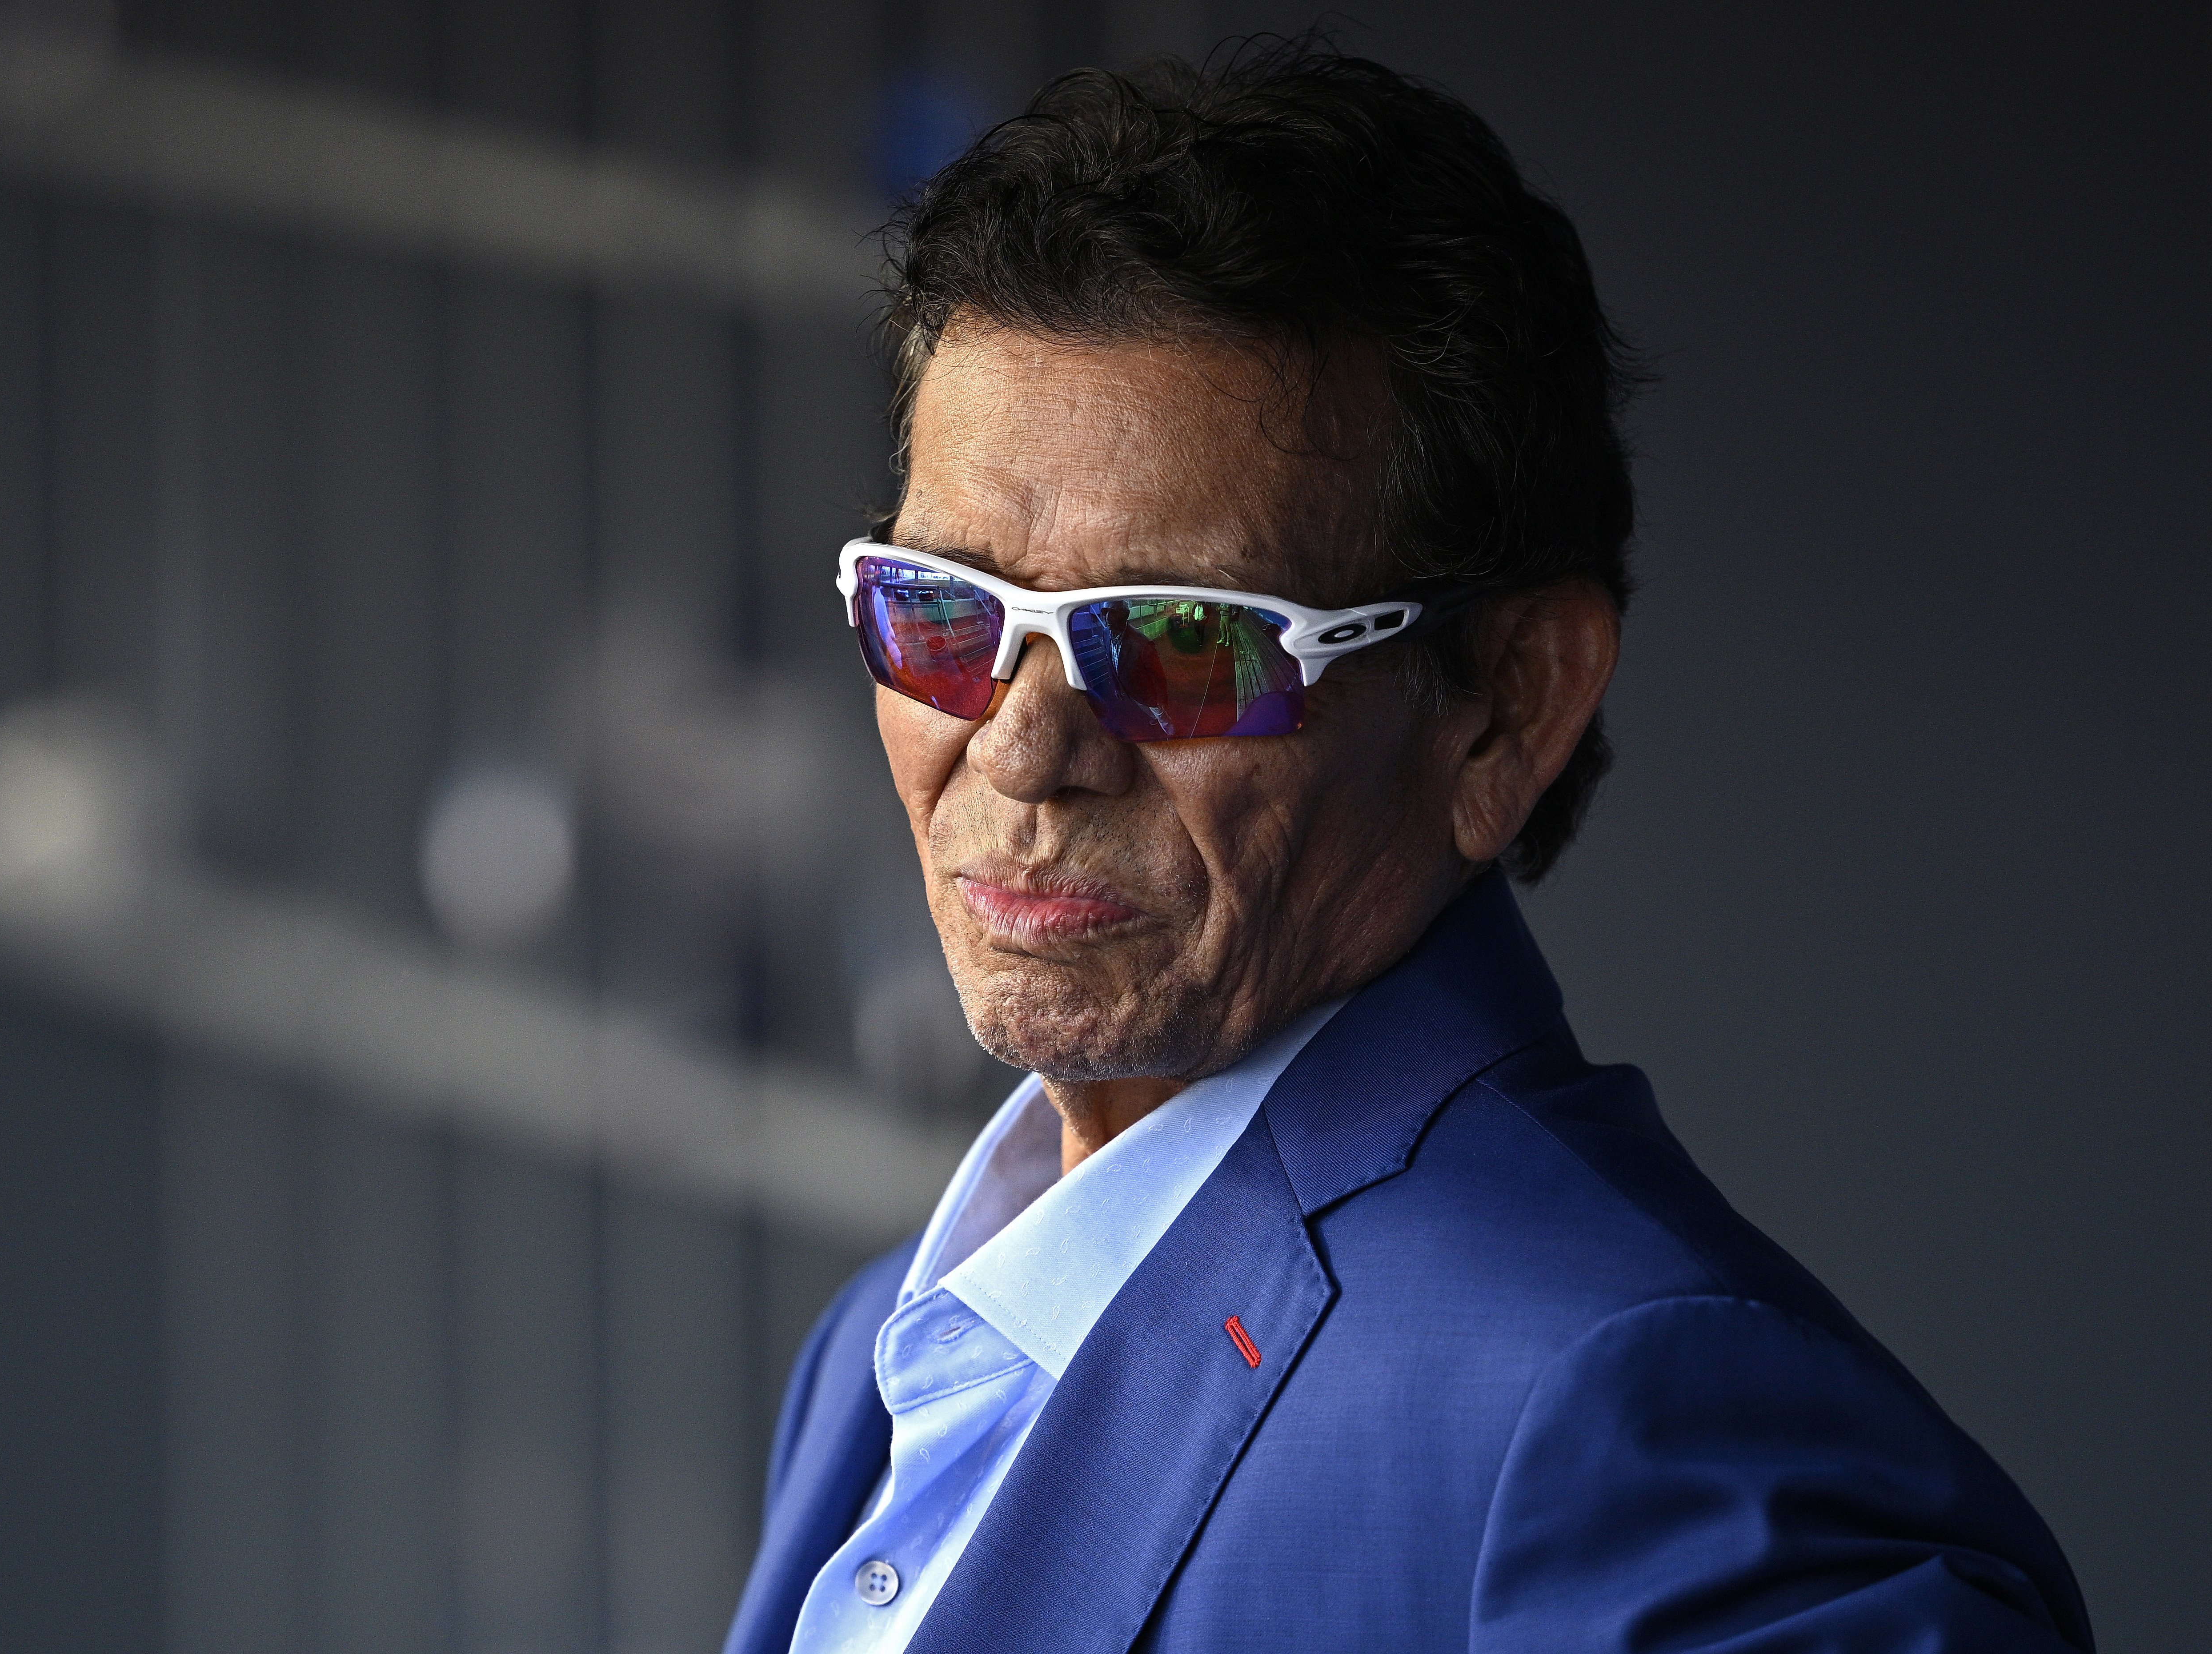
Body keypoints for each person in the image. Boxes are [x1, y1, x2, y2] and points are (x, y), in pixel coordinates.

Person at [727, 42, 2089, 1654]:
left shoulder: (1635, 1420)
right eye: (942, 614)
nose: (1021, 748)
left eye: (1179, 642)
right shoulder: (889, 1339)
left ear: (1506, 709)